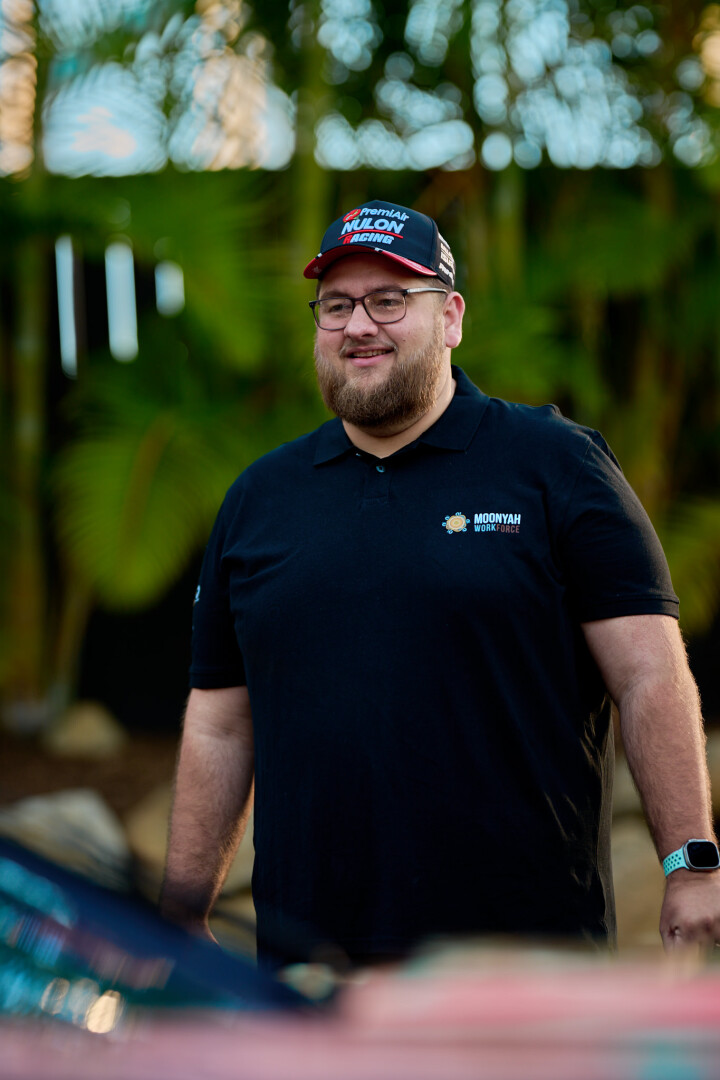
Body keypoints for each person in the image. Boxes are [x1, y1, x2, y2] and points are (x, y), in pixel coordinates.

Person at [160, 199, 720, 968]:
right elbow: (220, 725)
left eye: (390, 300)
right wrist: (180, 914)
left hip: (522, 961)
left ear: (451, 317)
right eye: (336, 305)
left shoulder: (556, 466)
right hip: (312, 968)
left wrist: (690, 866)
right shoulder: (260, 499)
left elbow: (650, 673)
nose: (359, 325)